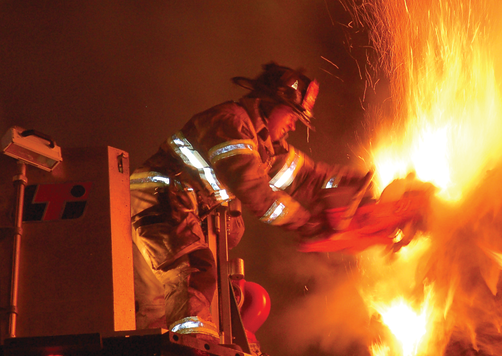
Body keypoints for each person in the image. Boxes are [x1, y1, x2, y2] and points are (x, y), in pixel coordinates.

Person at [130, 62, 372, 336]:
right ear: (269, 102)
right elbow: (254, 190)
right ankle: (192, 346)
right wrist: (309, 224)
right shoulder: (230, 124)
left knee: (162, 300)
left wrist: (357, 189)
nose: (294, 124)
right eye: (292, 114)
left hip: (178, 203)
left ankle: (169, 345)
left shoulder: (263, 144)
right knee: (193, 270)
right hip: (160, 197)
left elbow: (306, 178)